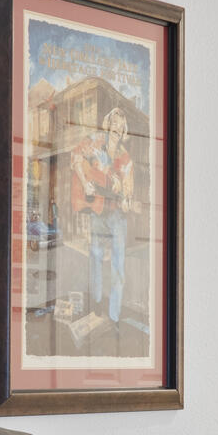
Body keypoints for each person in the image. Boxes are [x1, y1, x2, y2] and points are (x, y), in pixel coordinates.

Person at [70, 106, 136, 328]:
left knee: (118, 265)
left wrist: (127, 200)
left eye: (121, 125)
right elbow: (76, 156)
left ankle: (114, 316)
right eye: (114, 122)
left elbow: (128, 192)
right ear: (108, 124)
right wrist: (85, 182)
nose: (117, 127)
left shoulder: (126, 159)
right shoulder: (96, 142)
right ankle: (97, 304)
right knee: (96, 258)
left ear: (124, 130)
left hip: (117, 215)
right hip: (98, 210)